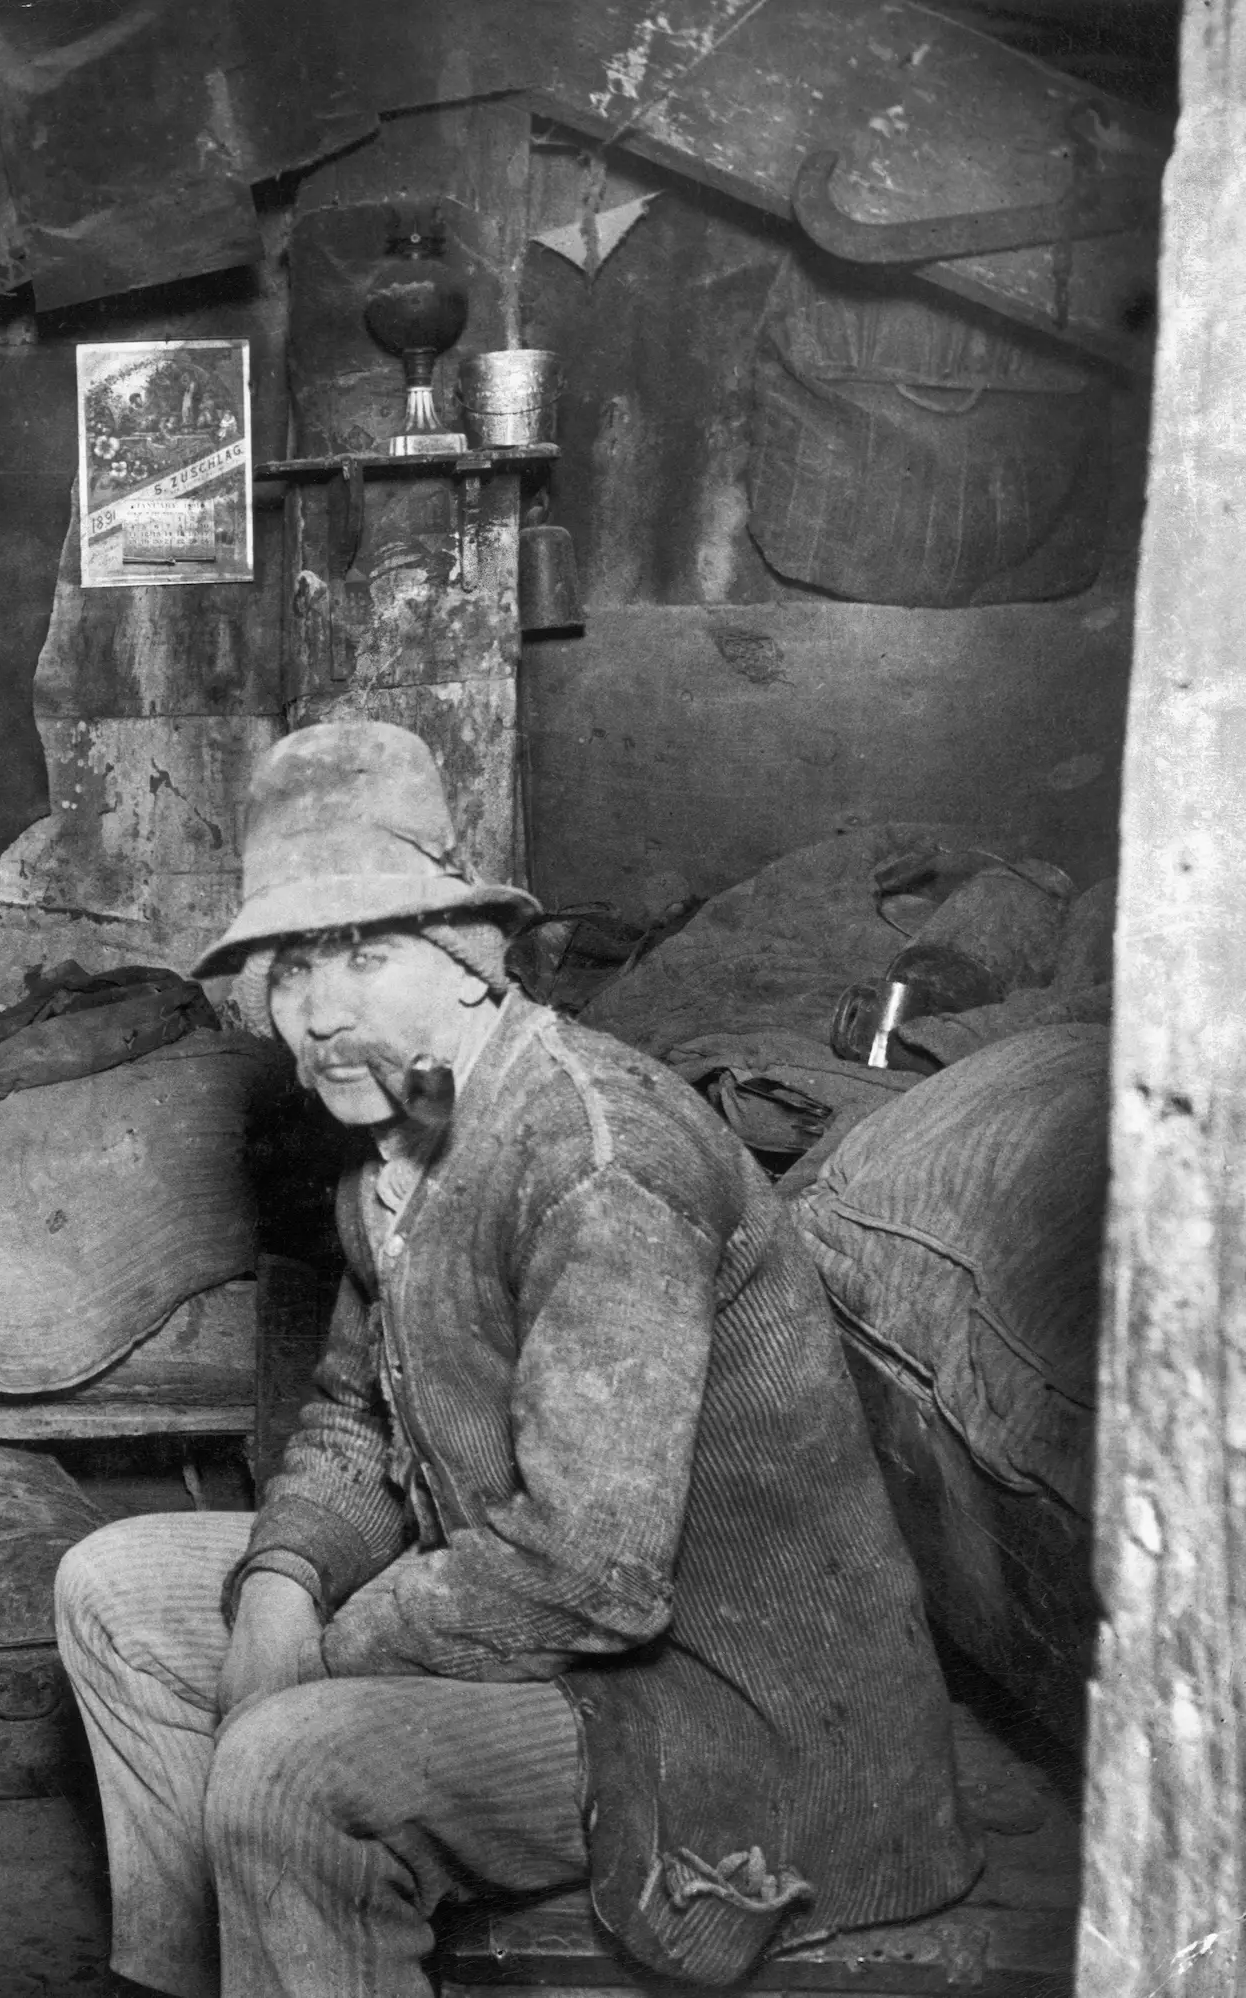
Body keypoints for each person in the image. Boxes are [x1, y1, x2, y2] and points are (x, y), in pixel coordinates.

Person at [55, 722, 981, 1998]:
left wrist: (327, 1646)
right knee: (112, 1585)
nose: (319, 1014)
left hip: (726, 1718)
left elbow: (593, 1574)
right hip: (523, 1601)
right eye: (287, 972)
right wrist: (279, 1582)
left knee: (288, 1761)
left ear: (468, 959)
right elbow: (349, 1412)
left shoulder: (598, 1159)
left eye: (365, 957)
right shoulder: (398, 1128)